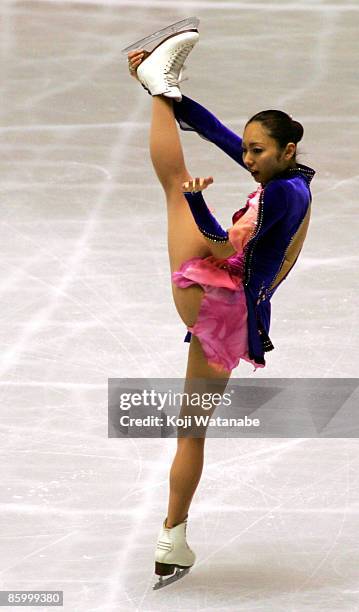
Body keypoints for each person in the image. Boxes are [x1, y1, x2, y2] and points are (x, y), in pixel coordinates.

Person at [126, 25, 315, 589]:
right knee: (192, 431)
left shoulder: (283, 193)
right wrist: (177, 102)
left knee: (173, 183)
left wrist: (196, 201)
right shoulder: (287, 176)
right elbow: (218, 135)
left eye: (256, 152)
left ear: (287, 150)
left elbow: (219, 247)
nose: (247, 158)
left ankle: (158, 82)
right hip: (230, 324)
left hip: (214, 296)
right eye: (249, 150)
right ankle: (172, 539)